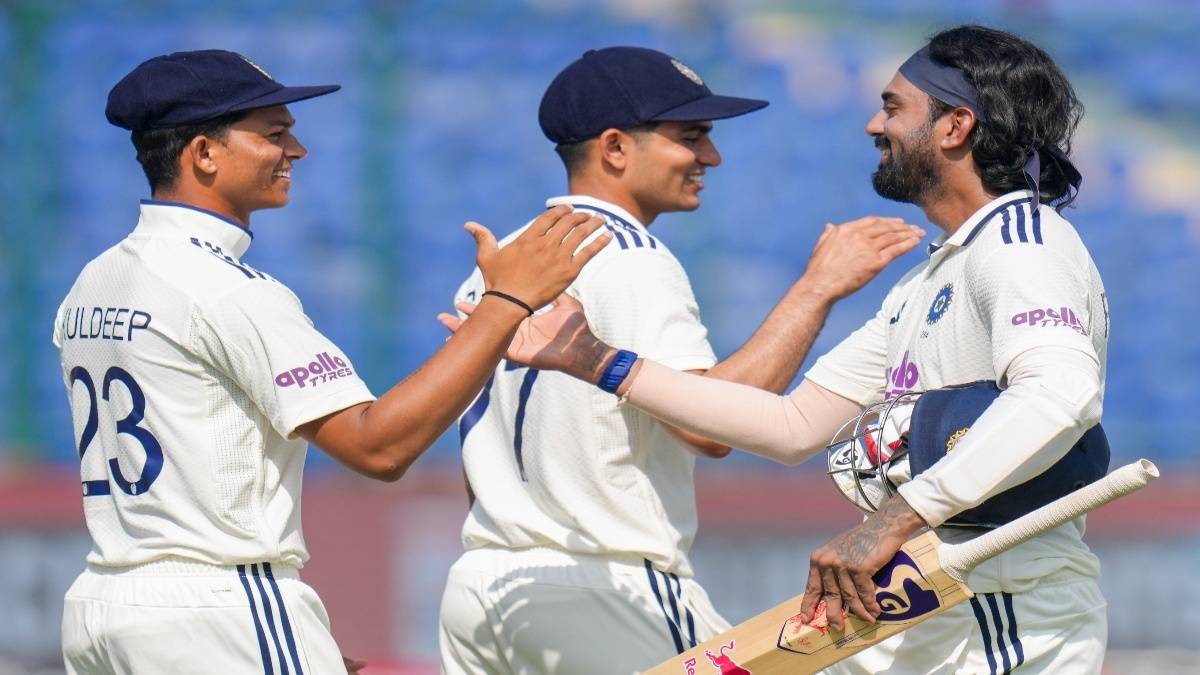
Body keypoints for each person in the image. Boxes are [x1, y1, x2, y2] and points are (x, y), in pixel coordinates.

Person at [478, 25, 1110, 674]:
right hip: (925, 608)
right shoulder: (927, 279)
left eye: (893, 107)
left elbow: (1059, 393)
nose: (873, 124)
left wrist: (893, 518)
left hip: (1004, 613)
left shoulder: (1022, 239)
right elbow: (791, 425)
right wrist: (596, 360)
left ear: (955, 127)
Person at [54, 49, 608, 675]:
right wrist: (506, 303)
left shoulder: (93, 283)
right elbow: (378, 448)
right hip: (218, 604)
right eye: (274, 133)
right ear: (203, 154)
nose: (297, 150)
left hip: (105, 606)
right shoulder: (227, 288)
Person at [436, 46, 923, 675]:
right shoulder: (630, 255)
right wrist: (817, 288)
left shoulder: (501, 260)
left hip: (480, 584)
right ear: (615, 147)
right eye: (690, 137)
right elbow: (704, 426)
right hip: (604, 584)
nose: (710, 157)